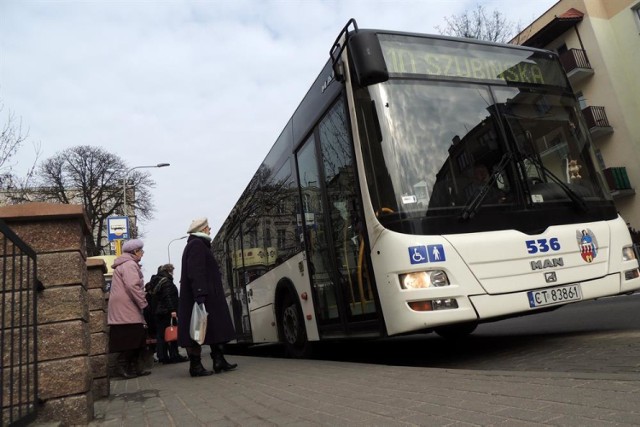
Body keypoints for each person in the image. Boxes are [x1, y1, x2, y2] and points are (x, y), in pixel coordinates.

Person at [178, 217, 237, 377]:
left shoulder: (198, 245)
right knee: (199, 331)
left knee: (212, 329)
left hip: (207, 295)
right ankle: (196, 366)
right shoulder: (197, 245)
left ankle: (219, 360)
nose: (210, 230)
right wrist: (200, 295)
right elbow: (196, 271)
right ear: (203, 229)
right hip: (204, 295)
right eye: (208, 227)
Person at [107, 238, 151, 379]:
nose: (142, 254)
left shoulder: (124, 264)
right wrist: (143, 303)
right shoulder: (130, 265)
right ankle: (123, 366)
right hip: (127, 306)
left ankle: (133, 367)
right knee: (134, 336)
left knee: (134, 336)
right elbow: (133, 286)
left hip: (123, 306)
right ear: (135, 252)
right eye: (141, 251)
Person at [153, 263, 188, 364]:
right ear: (169, 270)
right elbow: (168, 297)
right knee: (172, 334)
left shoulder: (158, 281)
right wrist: (173, 310)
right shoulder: (166, 281)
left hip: (159, 312)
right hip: (166, 312)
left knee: (161, 335)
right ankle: (174, 355)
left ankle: (163, 357)